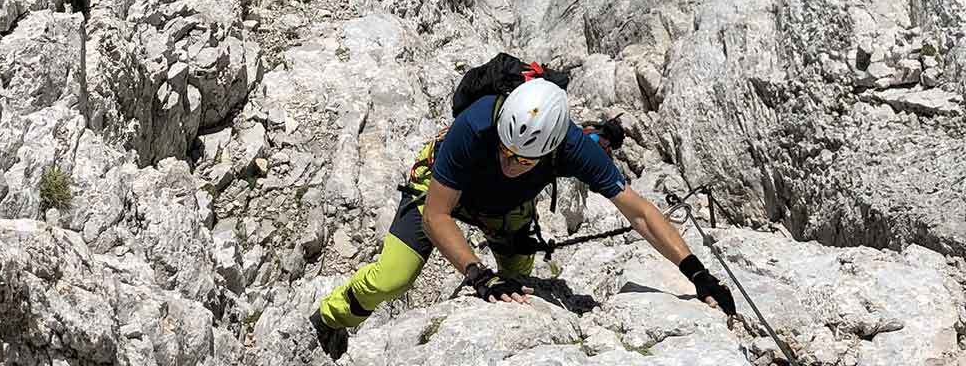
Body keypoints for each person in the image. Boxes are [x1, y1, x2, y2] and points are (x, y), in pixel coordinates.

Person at [310, 77, 736, 359]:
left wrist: (696, 273)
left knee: (519, 276)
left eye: (524, 159)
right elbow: (437, 215)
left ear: (550, 151)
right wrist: (477, 274)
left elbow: (639, 212)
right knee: (393, 277)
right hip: (442, 187)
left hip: (505, 206)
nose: (511, 162)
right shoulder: (474, 128)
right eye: (506, 151)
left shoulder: (573, 147)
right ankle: (328, 318)